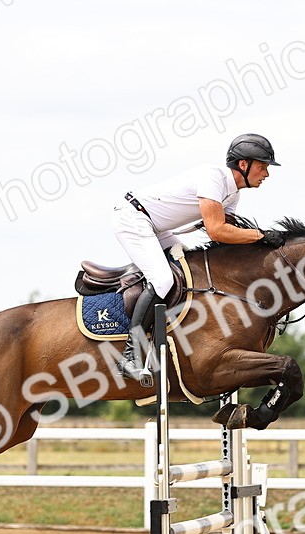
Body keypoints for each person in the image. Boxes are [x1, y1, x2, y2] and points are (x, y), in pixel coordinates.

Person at [111, 133, 284, 383]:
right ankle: (130, 356)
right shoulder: (213, 178)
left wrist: (260, 247)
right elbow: (217, 230)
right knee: (163, 280)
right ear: (243, 165)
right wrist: (261, 236)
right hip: (133, 218)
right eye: (263, 166)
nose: (266, 173)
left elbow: (227, 238)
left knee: (189, 270)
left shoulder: (233, 194)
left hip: (157, 227)